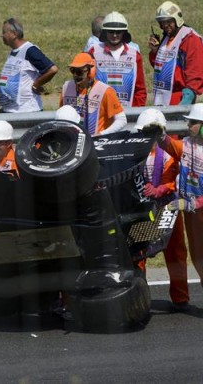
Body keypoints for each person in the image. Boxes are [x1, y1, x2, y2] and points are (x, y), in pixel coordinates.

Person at [135, 109, 189, 312]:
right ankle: (140, 298)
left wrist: (159, 189)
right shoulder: (135, 152)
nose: (146, 136)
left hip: (168, 208)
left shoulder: (169, 152)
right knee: (139, 253)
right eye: (144, 132)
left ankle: (180, 298)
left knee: (175, 252)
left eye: (151, 132)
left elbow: (173, 181)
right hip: (145, 209)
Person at [159, 104, 203, 303]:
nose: (188, 125)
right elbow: (169, 145)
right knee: (197, 256)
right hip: (191, 213)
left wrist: (194, 204)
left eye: (193, 122)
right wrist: (159, 135)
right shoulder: (186, 144)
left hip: (196, 207)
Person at [0, 17, 58, 113]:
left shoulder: (30, 50)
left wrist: (36, 85)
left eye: (4, 32)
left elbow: (52, 69)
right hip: (10, 111)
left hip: (27, 111)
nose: (2, 35)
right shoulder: (13, 52)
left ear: (14, 34)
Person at [149, 1, 203, 106]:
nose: (165, 25)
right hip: (160, 98)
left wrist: (189, 95)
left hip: (180, 98)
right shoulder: (167, 38)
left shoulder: (190, 38)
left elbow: (196, 70)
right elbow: (160, 68)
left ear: (177, 19)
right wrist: (155, 51)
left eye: (168, 22)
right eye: (162, 22)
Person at [88, 11, 147, 107]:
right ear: (105, 32)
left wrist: (135, 112)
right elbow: (86, 85)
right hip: (100, 113)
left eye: (118, 32)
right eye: (111, 32)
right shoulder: (93, 52)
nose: (114, 35)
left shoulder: (135, 56)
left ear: (124, 33)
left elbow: (140, 90)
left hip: (127, 114)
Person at [59, 52, 127, 136]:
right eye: (73, 71)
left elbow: (122, 120)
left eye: (79, 72)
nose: (75, 75)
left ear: (91, 71)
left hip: (96, 143)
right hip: (72, 142)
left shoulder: (105, 91)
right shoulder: (66, 88)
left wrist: (101, 134)